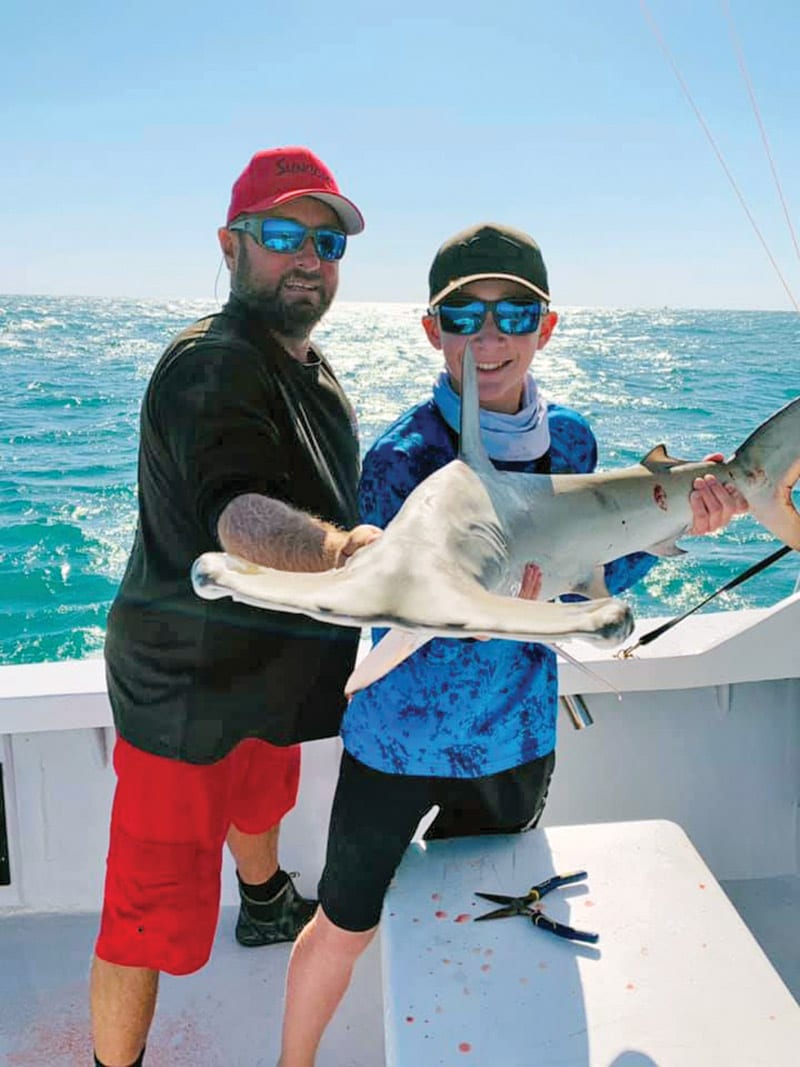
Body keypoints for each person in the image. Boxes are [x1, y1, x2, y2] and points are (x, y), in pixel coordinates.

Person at [277, 222, 748, 1065]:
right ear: (431, 330)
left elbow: (587, 576)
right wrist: (495, 595)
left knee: (484, 912)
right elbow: (398, 597)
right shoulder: (400, 456)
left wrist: (689, 522)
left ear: (547, 326)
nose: (488, 337)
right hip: (399, 739)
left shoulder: (573, 442)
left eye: (512, 313)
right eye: (463, 316)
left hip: (513, 737)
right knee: (343, 926)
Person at [91, 146, 381, 1067]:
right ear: (230, 244)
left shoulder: (312, 368)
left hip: (267, 675)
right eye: (283, 233)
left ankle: (262, 902)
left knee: (265, 789)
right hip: (186, 697)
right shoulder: (210, 367)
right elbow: (239, 511)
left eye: (326, 240)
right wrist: (341, 554)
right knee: (147, 922)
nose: (309, 256)